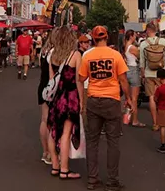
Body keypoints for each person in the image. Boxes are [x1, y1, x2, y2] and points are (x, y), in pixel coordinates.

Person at [78, 25, 130, 191]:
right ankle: (112, 181)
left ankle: (93, 180)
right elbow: (123, 80)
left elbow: (81, 77)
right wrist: (128, 99)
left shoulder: (88, 56)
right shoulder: (115, 55)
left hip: (93, 100)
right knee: (113, 141)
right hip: (112, 100)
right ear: (106, 37)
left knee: (92, 141)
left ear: (93, 39)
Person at [47, 26, 83, 180]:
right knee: (66, 134)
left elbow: (51, 81)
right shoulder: (75, 55)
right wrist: (82, 101)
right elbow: (78, 81)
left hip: (56, 98)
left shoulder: (52, 55)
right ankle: (64, 169)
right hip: (71, 97)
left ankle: (55, 165)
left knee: (53, 131)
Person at [139, 22, 165, 129]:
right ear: (156, 30)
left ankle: (155, 123)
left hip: (149, 73)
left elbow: (142, 62)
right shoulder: (163, 41)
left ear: (148, 30)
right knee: (163, 98)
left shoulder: (144, 44)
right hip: (161, 73)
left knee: (152, 97)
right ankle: (164, 122)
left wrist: (142, 74)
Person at [38, 29, 56, 166]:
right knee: (51, 121)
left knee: (44, 120)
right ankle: (51, 152)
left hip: (42, 86)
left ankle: (45, 151)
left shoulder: (44, 51)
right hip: (51, 88)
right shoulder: (55, 53)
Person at [123, 30, 144, 127]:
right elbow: (141, 56)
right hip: (134, 70)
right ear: (131, 36)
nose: (135, 37)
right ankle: (135, 120)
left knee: (129, 98)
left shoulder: (126, 46)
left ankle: (127, 118)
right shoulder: (132, 47)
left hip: (127, 70)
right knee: (135, 98)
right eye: (134, 35)